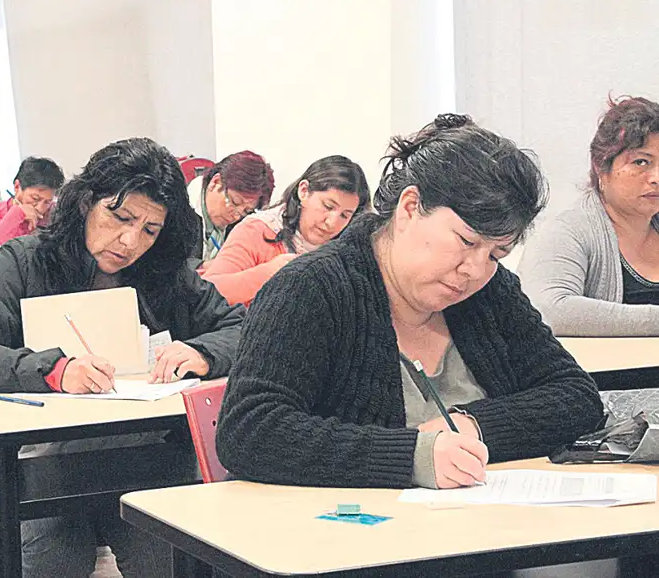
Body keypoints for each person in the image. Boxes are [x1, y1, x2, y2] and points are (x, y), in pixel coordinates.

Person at [217, 114, 602, 495]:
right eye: (466, 241)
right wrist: (411, 456)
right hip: (348, 541)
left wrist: (472, 425)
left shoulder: (490, 292)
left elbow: (576, 396)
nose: (474, 269)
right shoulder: (313, 288)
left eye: (496, 254)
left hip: (481, 532)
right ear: (409, 206)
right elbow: (251, 430)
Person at [0, 137, 245, 577]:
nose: (129, 240)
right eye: (119, 217)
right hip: (36, 460)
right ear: (85, 202)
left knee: (172, 555)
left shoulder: (164, 273)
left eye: (150, 230)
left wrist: (202, 352)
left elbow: (244, 329)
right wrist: (54, 370)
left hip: (139, 458)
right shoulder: (27, 261)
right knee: (57, 558)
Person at [518, 96, 659, 337]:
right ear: (600, 165)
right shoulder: (568, 230)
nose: (656, 177)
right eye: (641, 162)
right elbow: (548, 309)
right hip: (604, 374)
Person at [202, 156, 369, 306]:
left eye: (345, 216)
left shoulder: (348, 251)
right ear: (303, 191)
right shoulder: (257, 230)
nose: (331, 223)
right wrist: (268, 273)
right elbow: (208, 294)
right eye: (328, 206)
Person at [187, 151, 275, 264]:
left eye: (246, 211)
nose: (236, 215)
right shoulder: (176, 213)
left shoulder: (240, 223)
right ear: (216, 182)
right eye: (235, 202)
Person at [0, 156, 64, 249]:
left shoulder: (53, 214)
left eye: (47, 202)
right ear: (17, 187)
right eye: (35, 198)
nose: (40, 209)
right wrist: (17, 214)